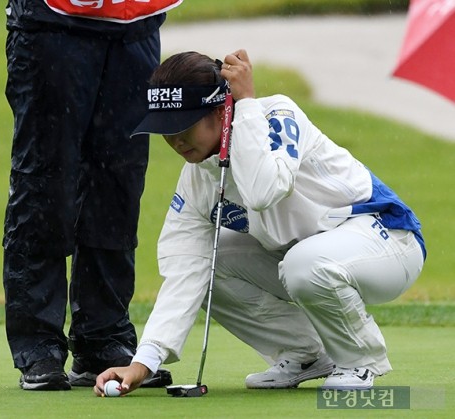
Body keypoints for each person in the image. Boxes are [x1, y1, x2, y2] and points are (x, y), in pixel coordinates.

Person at [93, 49, 426, 396]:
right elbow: (184, 266)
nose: (174, 140)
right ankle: (305, 354)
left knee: (304, 264)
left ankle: (361, 360)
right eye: (164, 129)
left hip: (388, 240)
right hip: (308, 260)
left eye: (184, 126)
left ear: (221, 111)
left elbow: (264, 190)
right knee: (212, 264)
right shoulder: (196, 178)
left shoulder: (276, 114)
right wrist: (143, 362)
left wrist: (247, 104)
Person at [2, 0, 182, 391]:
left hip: (135, 23)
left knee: (119, 182)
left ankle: (103, 339)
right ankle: (39, 345)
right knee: (45, 183)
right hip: (53, 21)